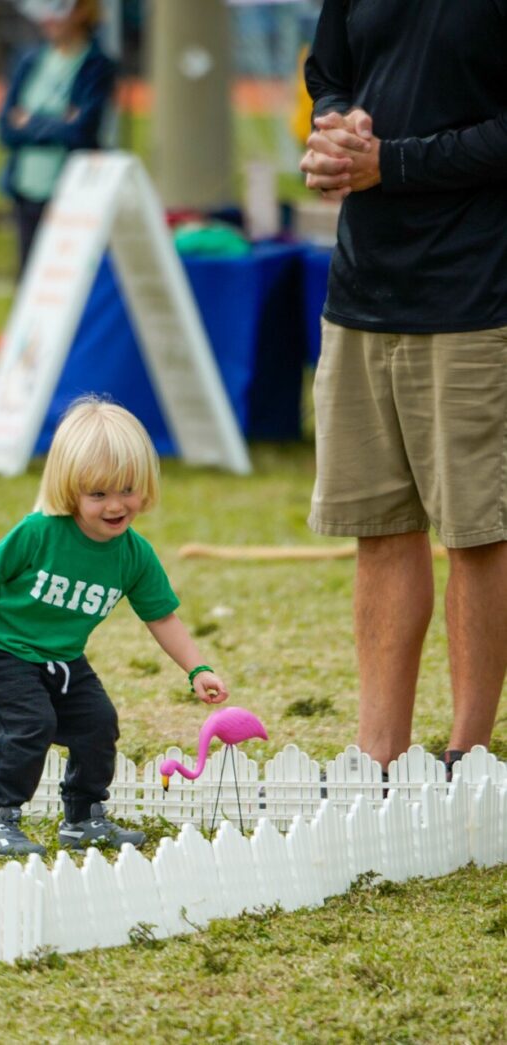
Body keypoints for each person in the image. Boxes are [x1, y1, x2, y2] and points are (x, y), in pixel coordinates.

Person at [298, 0, 507, 778]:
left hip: (476, 293)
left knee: (477, 532)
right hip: (362, 289)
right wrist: (335, 130)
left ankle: (469, 757)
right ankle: (377, 758)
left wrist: (394, 164)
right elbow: (329, 76)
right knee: (379, 525)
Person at [0, 398, 229, 856]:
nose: (115, 505)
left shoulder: (134, 554)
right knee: (30, 726)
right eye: (98, 495)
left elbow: (161, 616)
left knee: (97, 724)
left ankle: (83, 818)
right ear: (70, 491)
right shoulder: (39, 532)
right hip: (0, 651)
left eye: (127, 489)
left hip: (63, 660)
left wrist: (197, 669)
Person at [0, 0, 117, 273]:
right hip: (27, 192)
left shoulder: (95, 65)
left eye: (60, 9)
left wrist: (30, 122)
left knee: (70, 277)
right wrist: (57, 123)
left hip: (72, 193)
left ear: (81, 12)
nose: (49, 19)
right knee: (29, 278)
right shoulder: (28, 61)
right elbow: (6, 129)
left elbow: (81, 131)